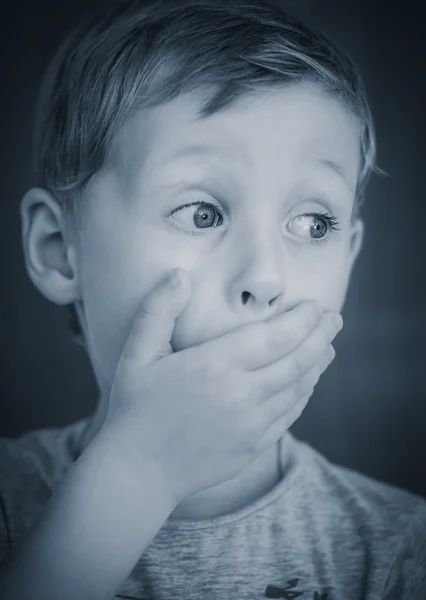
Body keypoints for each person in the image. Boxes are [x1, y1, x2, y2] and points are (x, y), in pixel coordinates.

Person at [0, 0, 425, 598]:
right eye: (202, 213)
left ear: (349, 261)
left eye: (312, 223)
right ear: (57, 248)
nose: (267, 276)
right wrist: (137, 473)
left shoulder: (398, 547)